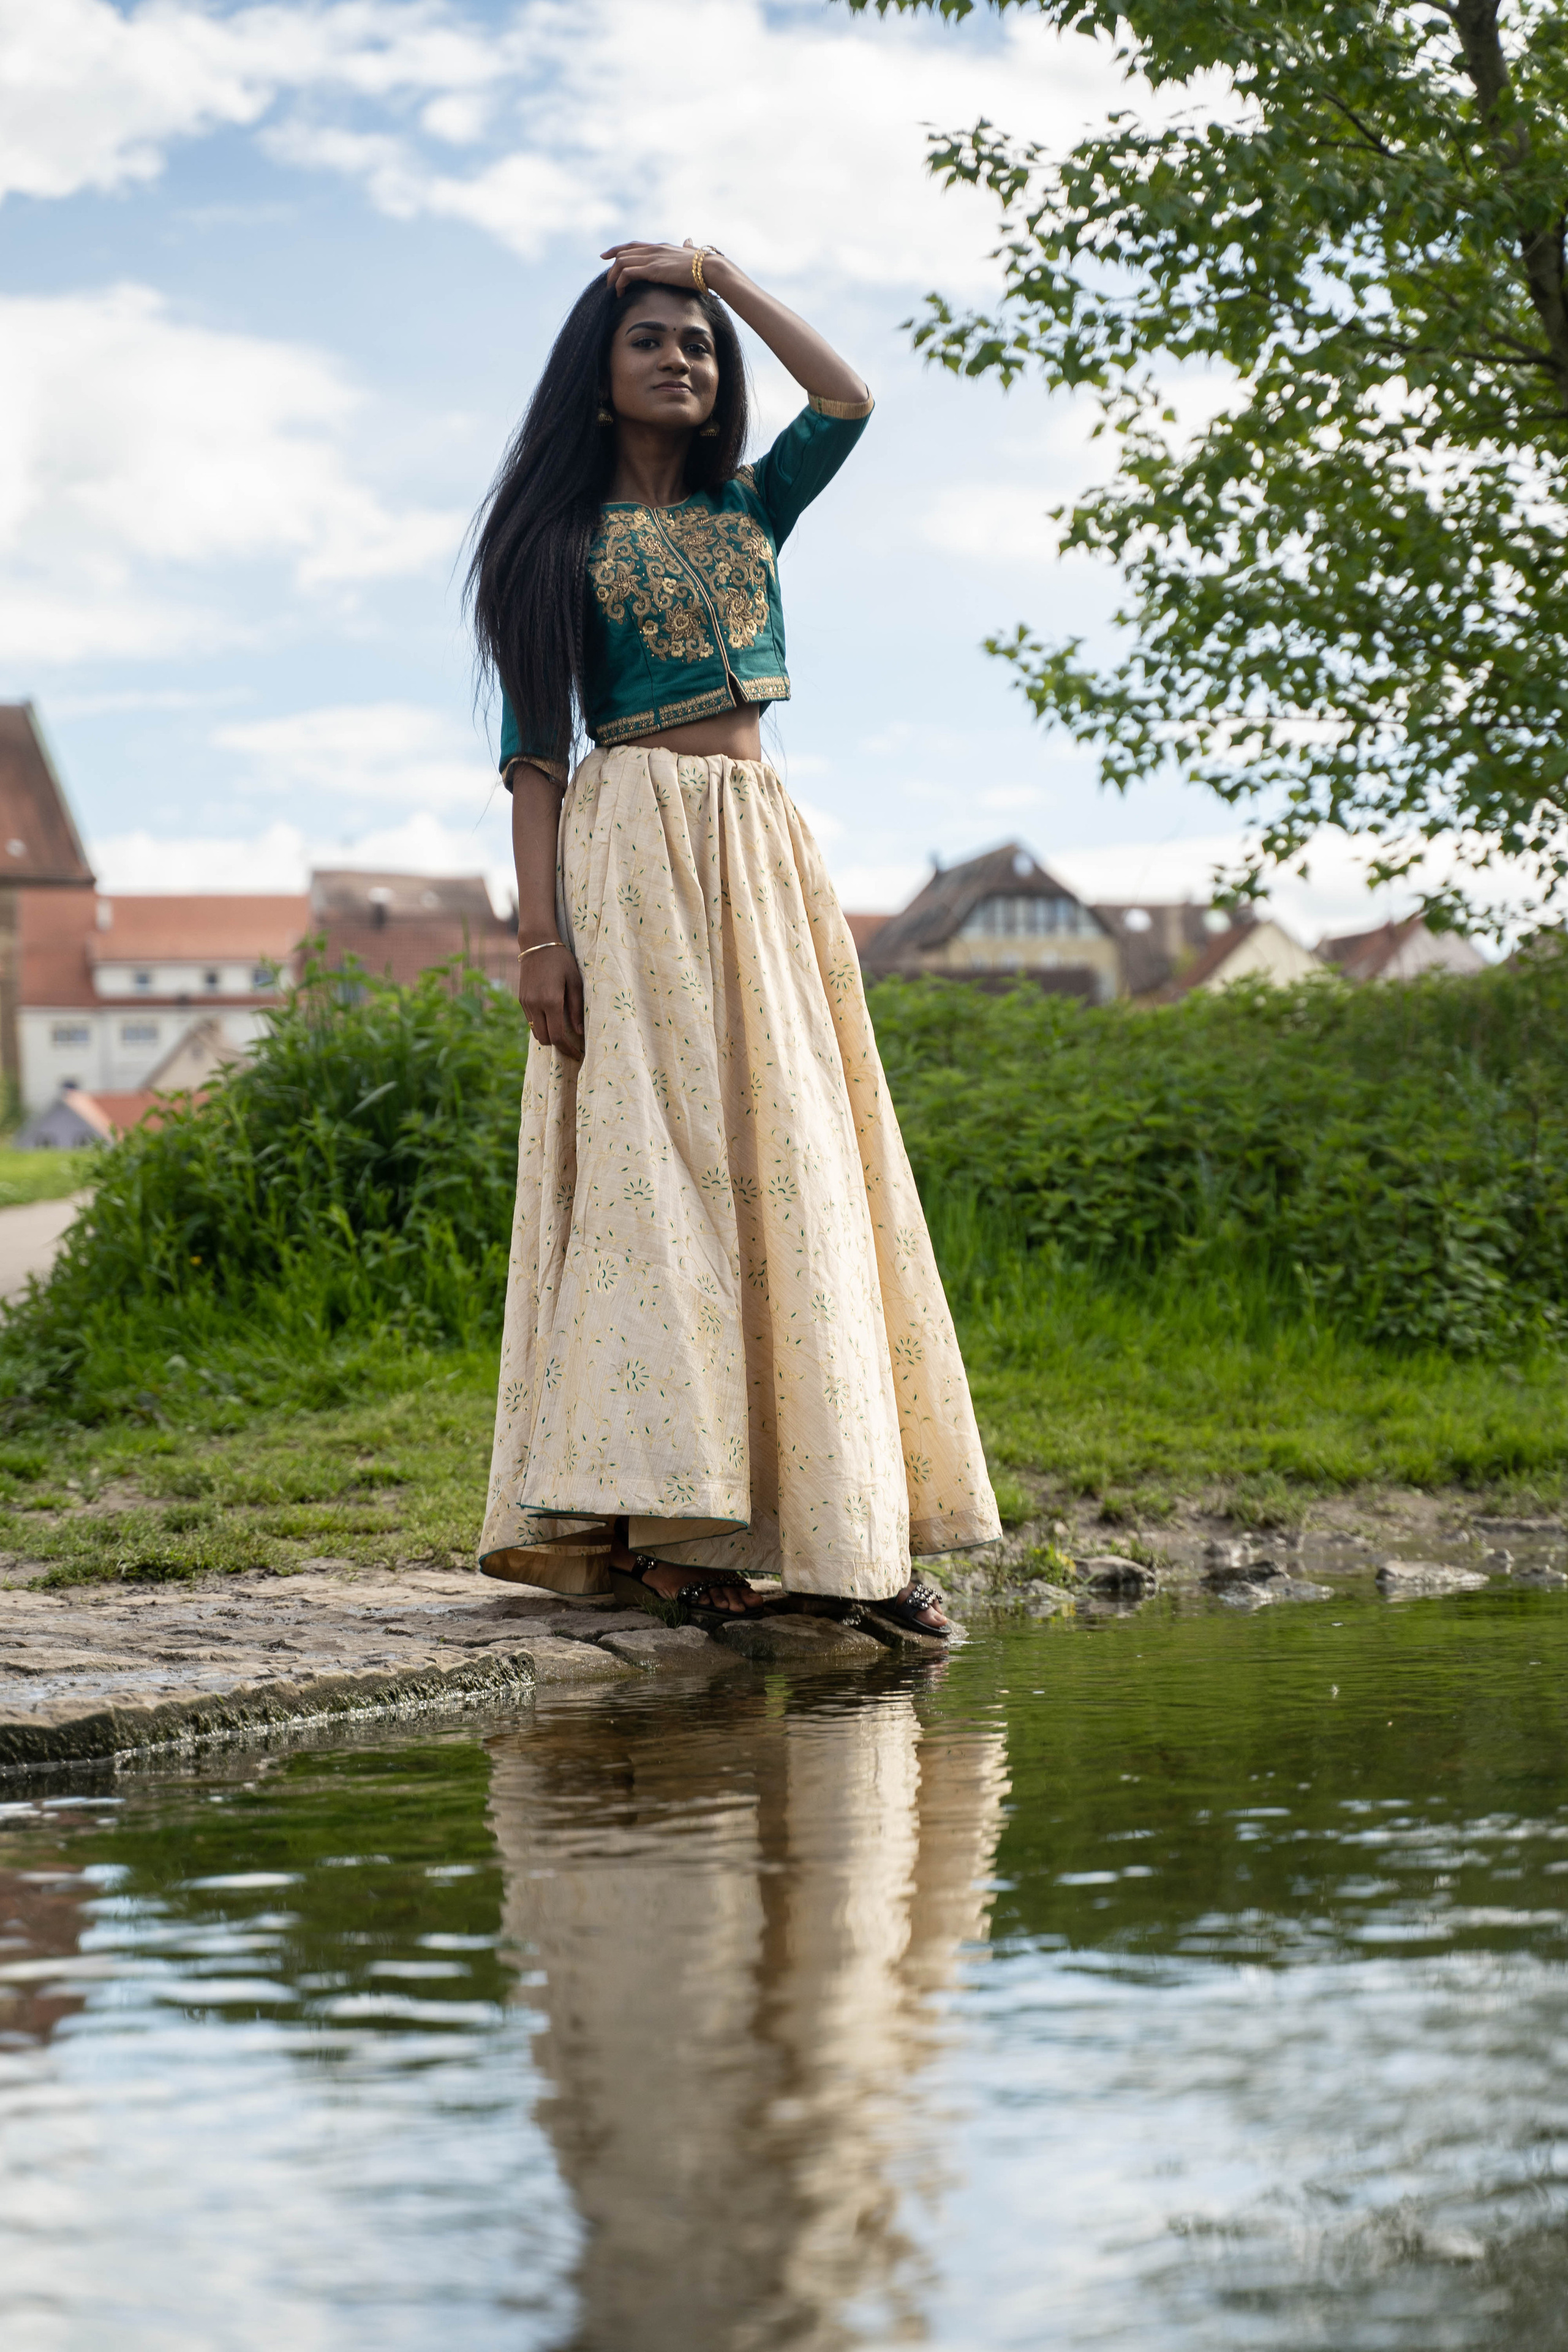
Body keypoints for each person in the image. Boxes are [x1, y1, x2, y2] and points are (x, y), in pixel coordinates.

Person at [468, 238, 998, 1639]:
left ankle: (833, 1528)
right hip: (632, 840)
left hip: (759, 841)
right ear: (597, 377)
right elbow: (534, 760)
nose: (681, 359)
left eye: (698, 345)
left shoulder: (750, 509)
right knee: (666, 1165)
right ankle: (659, 1524)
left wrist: (723, 271)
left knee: (795, 1163)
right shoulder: (551, 546)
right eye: (650, 338)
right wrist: (539, 940)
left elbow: (849, 400)